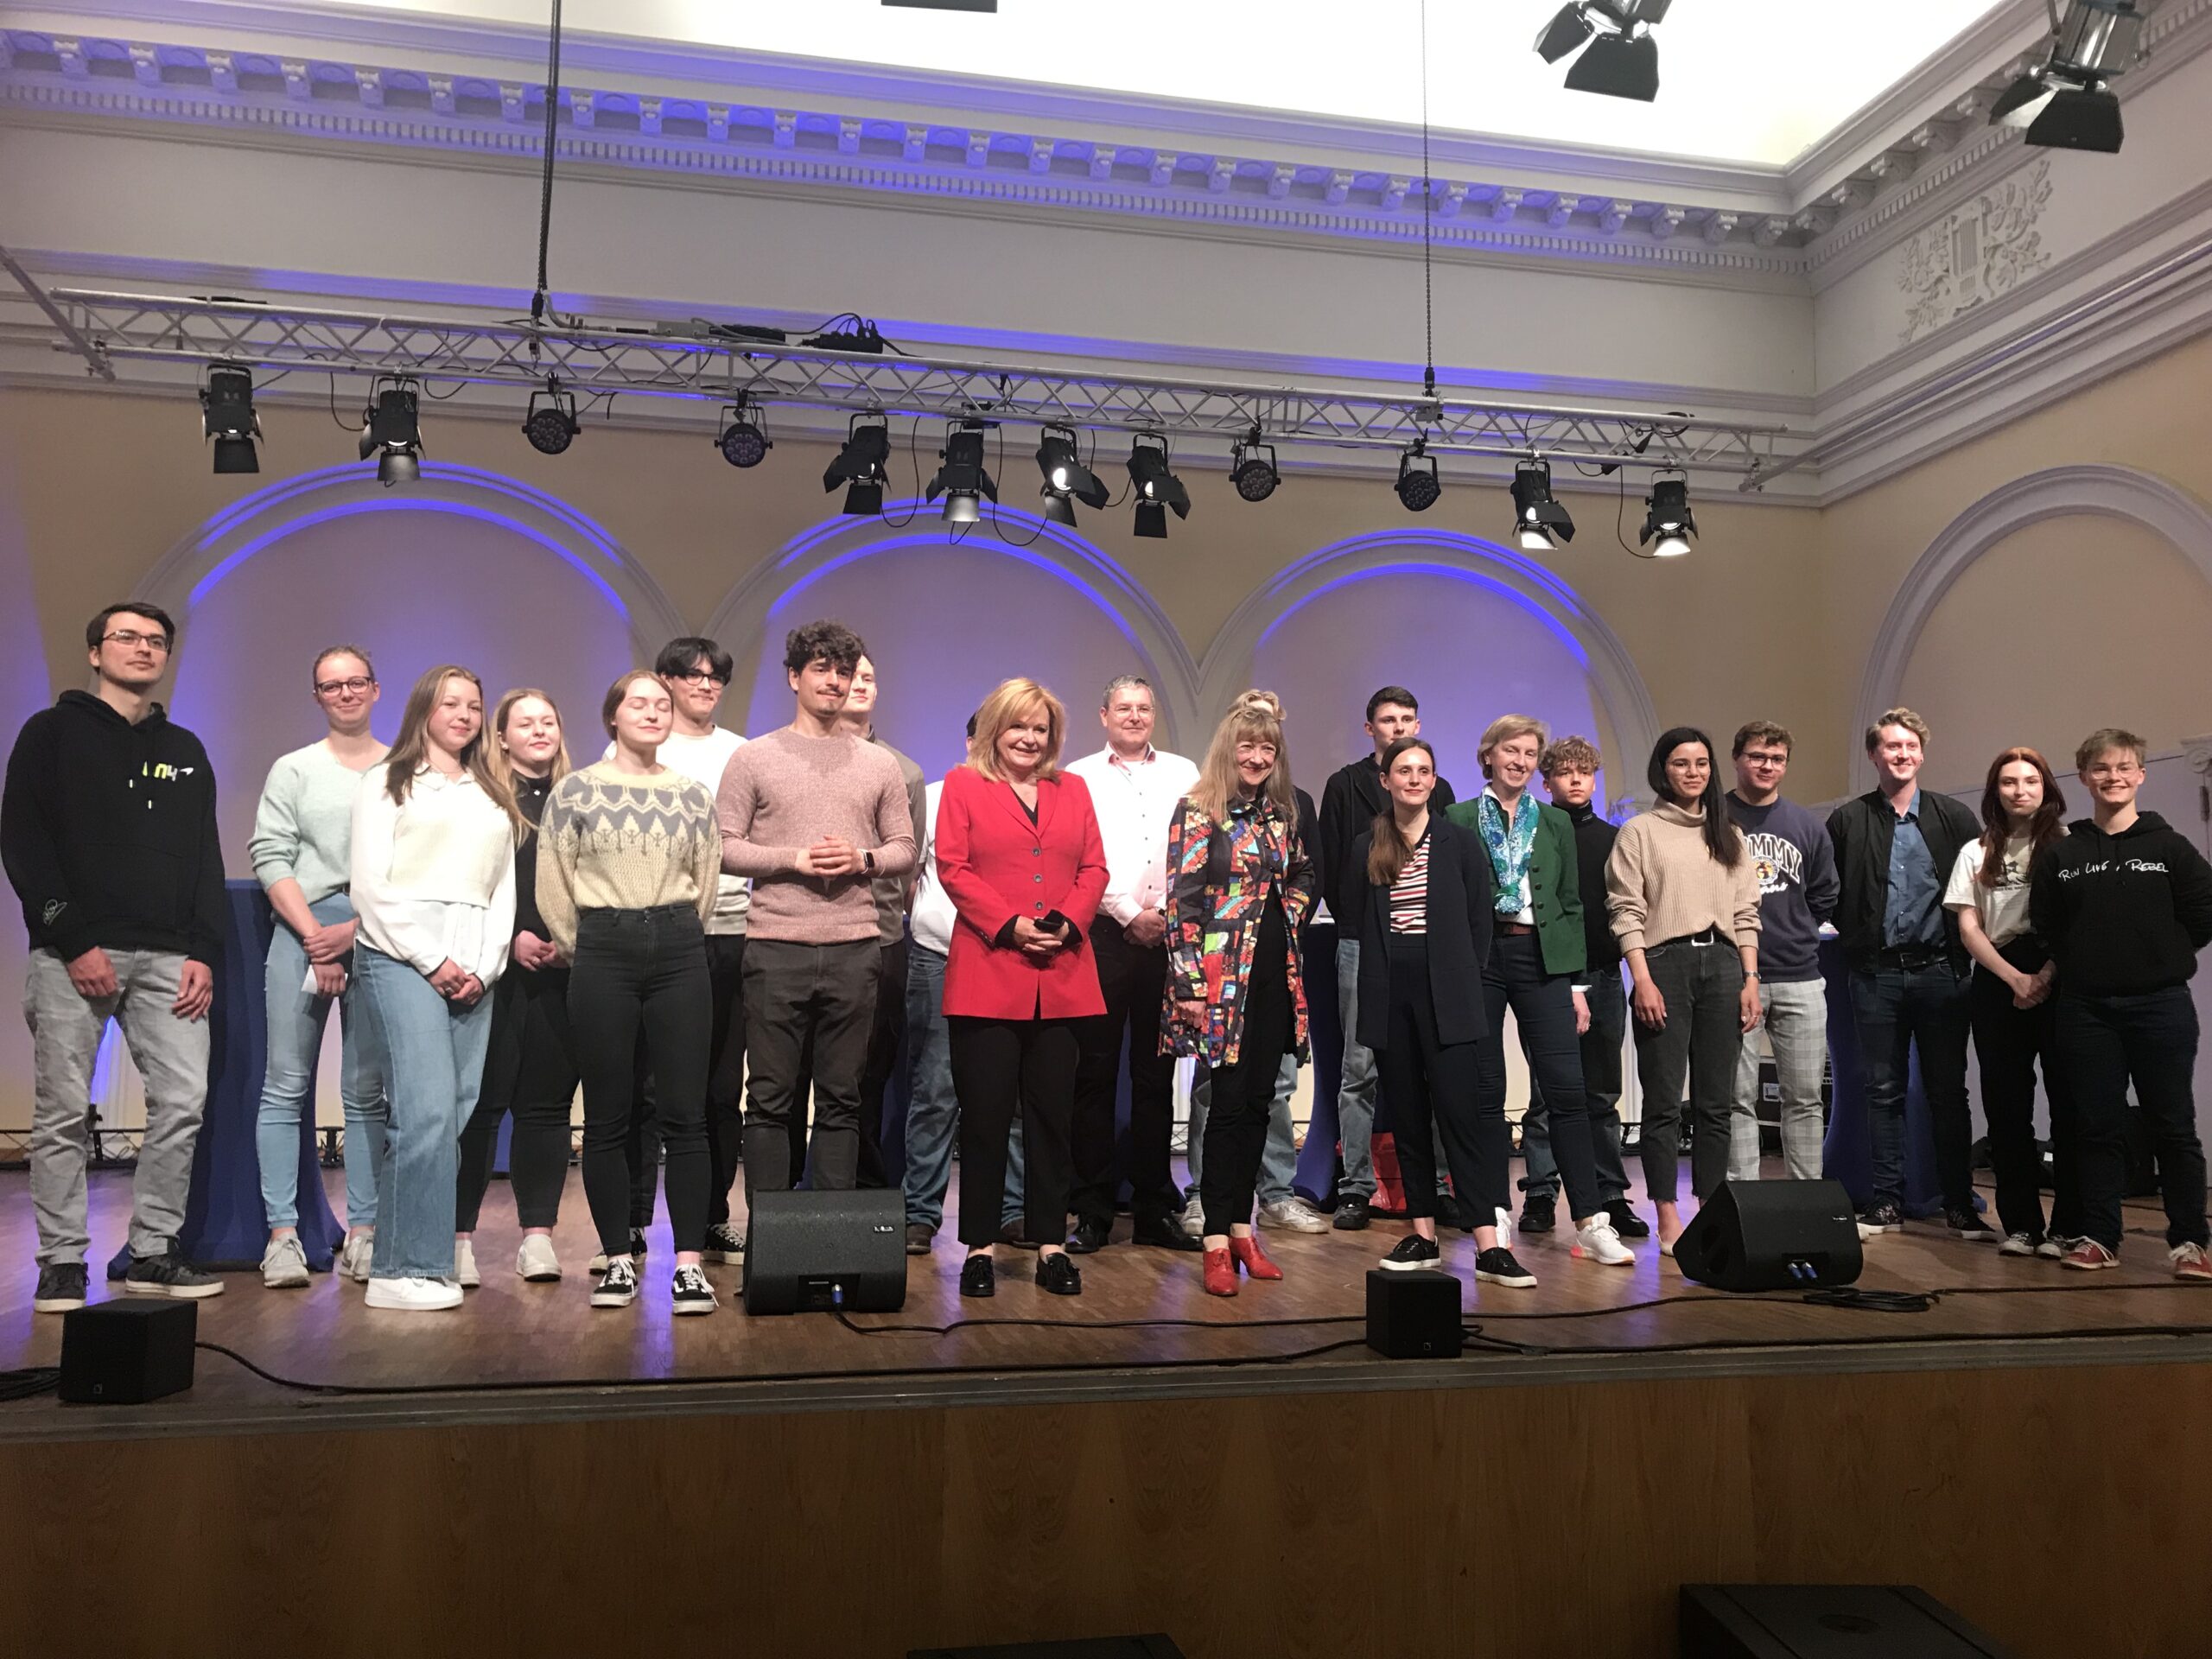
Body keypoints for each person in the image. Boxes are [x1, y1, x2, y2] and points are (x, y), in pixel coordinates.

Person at [5, 601, 226, 1313]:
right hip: (75, 954)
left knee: (183, 1102)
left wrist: (203, 950)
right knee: (63, 1112)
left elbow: (204, 856)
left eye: (156, 640)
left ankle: (154, 1252)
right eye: (127, 637)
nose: (143, 648)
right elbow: (24, 843)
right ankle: (62, 1262)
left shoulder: (186, 749)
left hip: (171, 959)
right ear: (96, 652)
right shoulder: (50, 734)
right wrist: (73, 941)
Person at [539, 672, 721, 1314]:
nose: (652, 713)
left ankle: (690, 1266)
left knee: (686, 1114)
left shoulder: (692, 795)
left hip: (677, 946)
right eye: (638, 703)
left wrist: (671, 933)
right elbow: (554, 883)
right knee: (609, 1115)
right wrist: (589, 945)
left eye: (662, 705)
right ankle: (618, 1257)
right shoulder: (575, 790)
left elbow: (705, 884)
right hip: (603, 948)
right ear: (612, 715)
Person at [718, 620, 918, 1199]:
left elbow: (904, 849)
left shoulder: (879, 764)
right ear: (794, 677)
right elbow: (723, 847)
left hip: (855, 947)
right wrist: (794, 859)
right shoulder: (754, 757)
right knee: (770, 1099)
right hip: (775, 945)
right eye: (822, 669)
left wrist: (861, 859)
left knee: (842, 1099)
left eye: (844, 671)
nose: (834, 681)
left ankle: (830, 1234)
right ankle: (770, 1236)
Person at [349, 664, 517, 1312]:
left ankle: (404, 1262)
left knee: (452, 1114)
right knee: (424, 1112)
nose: (464, 715)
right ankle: (409, 1267)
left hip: (474, 963)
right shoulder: (386, 781)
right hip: (402, 955)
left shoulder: (489, 790)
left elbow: (501, 889)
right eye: (451, 703)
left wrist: (485, 965)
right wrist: (432, 959)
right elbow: (370, 887)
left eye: (474, 705)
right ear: (424, 708)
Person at [936, 678, 1107, 1298]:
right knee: (985, 1119)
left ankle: (1051, 1245)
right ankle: (980, 1247)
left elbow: (1094, 868)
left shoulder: (1073, 789)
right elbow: (952, 866)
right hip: (988, 973)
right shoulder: (963, 785)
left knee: (1052, 1119)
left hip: (1061, 975)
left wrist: (1067, 924)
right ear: (994, 730)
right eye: (1018, 726)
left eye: (1040, 728)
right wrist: (1009, 926)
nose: (1030, 739)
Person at [1446, 715, 1635, 1268]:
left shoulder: (1552, 821)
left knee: (1567, 1090)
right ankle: (1494, 1211)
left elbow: (1571, 904)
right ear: (1488, 755)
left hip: (1543, 958)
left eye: (1530, 753)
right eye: (1512, 751)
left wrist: (1576, 982)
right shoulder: (1458, 817)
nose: (1521, 761)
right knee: (1486, 1091)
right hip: (1482, 960)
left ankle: (1591, 1222)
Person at [1354, 737, 1539, 1286]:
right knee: (1408, 1117)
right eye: (1403, 770)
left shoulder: (1458, 842)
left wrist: (1461, 977)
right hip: (1391, 991)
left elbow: (1480, 920)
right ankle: (1423, 1235)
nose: (1414, 779)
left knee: (1462, 1116)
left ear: (1434, 781)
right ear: (1386, 780)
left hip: (1448, 992)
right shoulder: (1368, 844)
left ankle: (1487, 1243)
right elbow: (1353, 912)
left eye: (1424, 771)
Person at [2031, 728, 2212, 1280]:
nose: (2114, 777)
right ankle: (2100, 1236)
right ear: (2085, 778)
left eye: (2124, 767)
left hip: (2161, 1006)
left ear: (2140, 775)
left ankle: (2190, 1242)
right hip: (2086, 1010)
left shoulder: (2170, 848)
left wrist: (2158, 957)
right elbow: (2048, 924)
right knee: (2096, 1127)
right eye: (2102, 768)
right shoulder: (2063, 854)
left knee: (2173, 1125)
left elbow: (2203, 915)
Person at [248, 645, 390, 1289]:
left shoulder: (402, 768)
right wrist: (315, 938)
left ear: (376, 689)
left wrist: (352, 934)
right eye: (332, 686)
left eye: (356, 682)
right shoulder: (294, 769)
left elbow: (411, 866)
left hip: (378, 933)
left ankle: (365, 1232)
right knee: (285, 1085)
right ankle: (282, 1237)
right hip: (302, 930)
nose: (345, 693)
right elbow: (270, 855)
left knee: (365, 1091)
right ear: (317, 697)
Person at [1165, 696, 1316, 1296]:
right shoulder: (1199, 810)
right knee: (1227, 1105)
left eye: (1267, 748)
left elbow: (1303, 873)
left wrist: (1287, 911)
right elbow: (1182, 902)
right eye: (1247, 747)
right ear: (1228, 750)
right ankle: (1215, 1240)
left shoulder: (1279, 815)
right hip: (1222, 981)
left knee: (1260, 1103)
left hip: (1276, 976)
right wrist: (1190, 986)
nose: (1256, 757)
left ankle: (1242, 1229)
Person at [1827, 708, 1986, 1241]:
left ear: (1922, 753)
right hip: (1875, 976)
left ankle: (1957, 1201)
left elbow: (1981, 889)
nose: (1902, 754)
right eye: (1892, 746)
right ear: (1875, 754)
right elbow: (1829, 892)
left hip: (1942, 972)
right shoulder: (1848, 821)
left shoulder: (1954, 817)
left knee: (1948, 1092)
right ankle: (1887, 1200)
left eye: (1911, 746)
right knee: (1882, 1091)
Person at [1606, 727, 1762, 1251]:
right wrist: (1642, 979)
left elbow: (1746, 912)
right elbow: (1625, 910)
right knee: (1664, 1101)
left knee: (1718, 1103)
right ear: (1663, 770)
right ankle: (1667, 1213)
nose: (1692, 772)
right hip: (1664, 965)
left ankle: (1711, 1209)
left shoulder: (1728, 832)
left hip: (1724, 964)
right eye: (1680, 763)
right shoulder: (1639, 832)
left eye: (1701, 763)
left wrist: (1750, 979)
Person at [1065, 674, 1202, 1254]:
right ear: (1104, 715)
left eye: (1144, 708)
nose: (1135, 716)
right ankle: (1092, 1210)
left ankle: (1152, 1209)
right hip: (1101, 935)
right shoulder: (1077, 777)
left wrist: (1165, 915)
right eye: (1124, 707)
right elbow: (1076, 856)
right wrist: (1127, 913)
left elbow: (1197, 849)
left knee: (1156, 1077)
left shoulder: (1184, 773)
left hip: (1169, 936)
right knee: (1093, 1076)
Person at [1317, 686, 1457, 1230]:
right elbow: (1332, 868)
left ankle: (1438, 1185)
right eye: (1388, 719)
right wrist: (1363, 926)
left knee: (1432, 1069)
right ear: (1370, 727)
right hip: (1360, 941)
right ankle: (1355, 1187)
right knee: (1359, 1069)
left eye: (1407, 719)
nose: (1398, 727)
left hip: (1424, 944)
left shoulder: (1439, 788)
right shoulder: (1345, 785)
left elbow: (1447, 868)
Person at [454, 690, 576, 1286]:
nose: (539, 730)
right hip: (493, 975)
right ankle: (458, 1240)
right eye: (525, 723)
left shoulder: (579, 799)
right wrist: (510, 941)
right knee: (481, 1108)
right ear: (500, 737)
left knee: (547, 1108)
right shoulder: (480, 799)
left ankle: (538, 1239)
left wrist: (568, 944)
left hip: (561, 975)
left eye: (548, 721)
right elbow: (465, 885)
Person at [900, 718, 1026, 1254]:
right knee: (935, 1090)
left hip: (1011, 960)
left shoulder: (1032, 798)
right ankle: (920, 1213)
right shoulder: (935, 795)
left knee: (1011, 1093)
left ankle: (1012, 1209)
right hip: (940, 958)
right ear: (971, 741)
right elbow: (911, 878)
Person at [1947, 747, 2072, 1257]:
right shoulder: (1974, 852)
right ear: (1994, 791)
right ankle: (2022, 1226)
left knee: (2070, 1104)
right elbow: (1969, 927)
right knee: (2006, 1107)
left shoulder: (2069, 846)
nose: (2020, 790)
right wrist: (2014, 979)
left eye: (2030, 781)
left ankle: (2068, 1227)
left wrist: (2044, 975)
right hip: (1997, 979)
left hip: (2058, 974)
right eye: (2009, 782)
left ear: (2046, 788)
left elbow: (2077, 923)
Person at [1533, 736, 1644, 1238]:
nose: (1576, 780)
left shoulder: (1614, 838)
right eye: (1565, 772)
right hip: (1551, 978)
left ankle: (1610, 1194)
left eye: (1585, 772)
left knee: (1602, 1091)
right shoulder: (1535, 833)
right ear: (1547, 782)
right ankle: (1541, 1192)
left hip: (1603, 973)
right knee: (1546, 1093)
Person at [1723, 721, 1840, 1182]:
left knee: (1805, 1097)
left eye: (1777, 759)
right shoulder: (1714, 819)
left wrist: (1795, 929)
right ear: (1737, 759)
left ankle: (1807, 1197)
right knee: (1736, 1097)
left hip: (1800, 976)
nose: (1767, 766)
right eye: (1757, 756)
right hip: (1732, 976)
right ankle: (1744, 1200)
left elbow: (1826, 893)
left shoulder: (1806, 824)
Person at [836, 652, 926, 1190]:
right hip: (807, 937)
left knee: (870, 1075)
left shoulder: (904, 770)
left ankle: (865, 1197)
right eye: (850, 675)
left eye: (868, 676)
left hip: (881, 939)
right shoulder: (794, 759)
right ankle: (793, 1203)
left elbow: (907, 862)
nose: (859, 684)